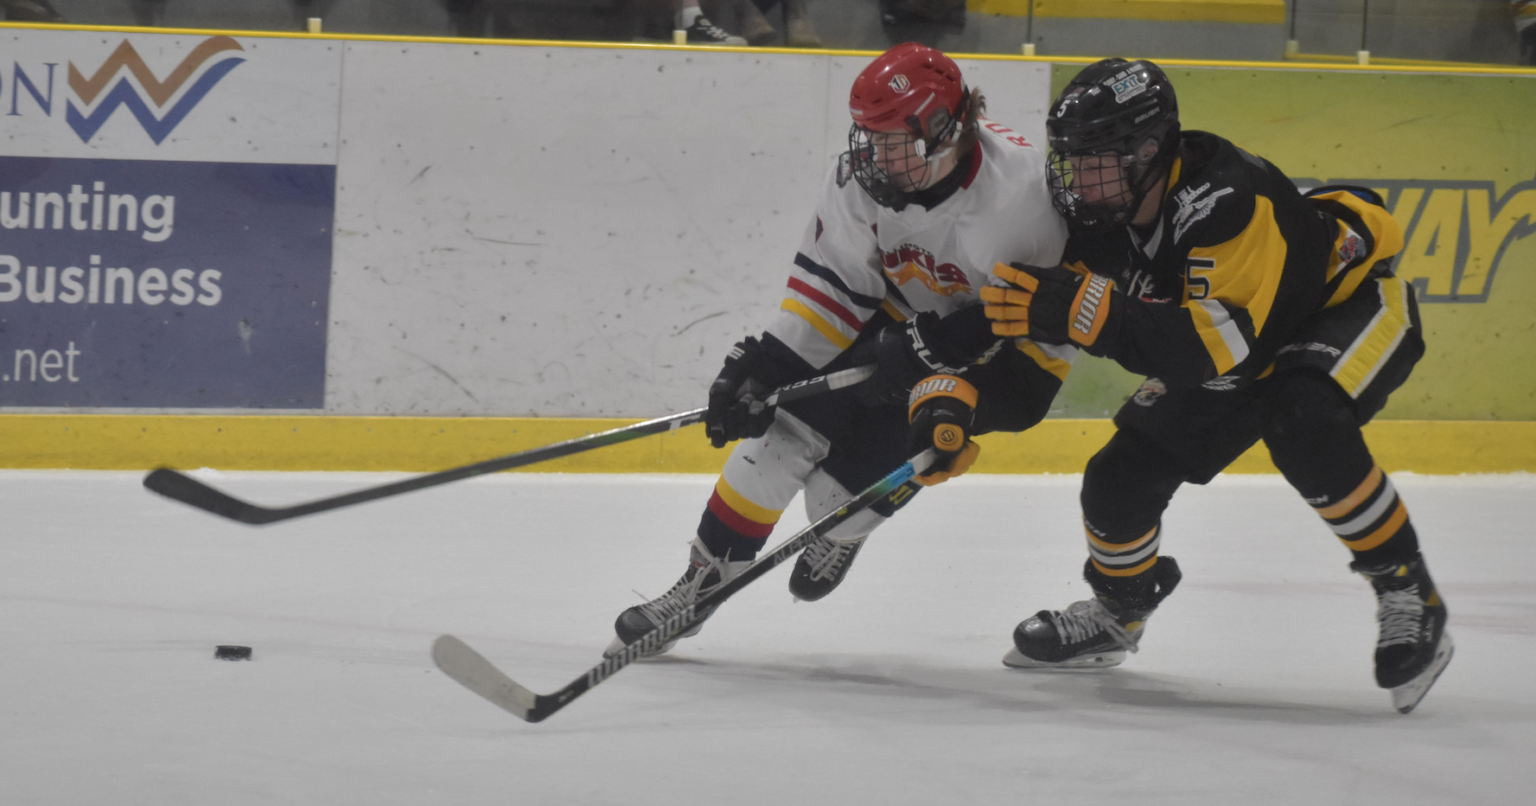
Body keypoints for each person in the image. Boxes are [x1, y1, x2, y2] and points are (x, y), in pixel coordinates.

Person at [975, 58, 1453, 713]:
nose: (1077, 180)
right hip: (1234, 337)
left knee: (1303, 422)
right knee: (1117, 481)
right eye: (1071, 160)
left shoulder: (1228, 200)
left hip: (1342, 306)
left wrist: (1088, 313)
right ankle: (1120, 611)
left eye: (1094, 161)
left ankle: (1406, 588)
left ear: (1147, 150)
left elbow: (1210, 348)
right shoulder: (1104, 209)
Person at [605, 43, 1071, 658]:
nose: (874, 157)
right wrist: (767, 370)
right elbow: (835, 289)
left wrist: (939, 359)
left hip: (992, 359)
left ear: (944, 128)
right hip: (894, 315)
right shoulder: (867, 178)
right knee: (779, 439)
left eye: (892, 141)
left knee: (834, 500)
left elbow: (1036, 336)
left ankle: (847, 529)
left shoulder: (1025, 202)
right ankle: (699, 588)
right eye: (869, 137)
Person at [1516, 0, 1536, 65]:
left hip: (1526, 23)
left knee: (1527, 42)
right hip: (1526, 23)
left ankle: (1530, 60)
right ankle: (1526, 59)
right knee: (1526, 42)